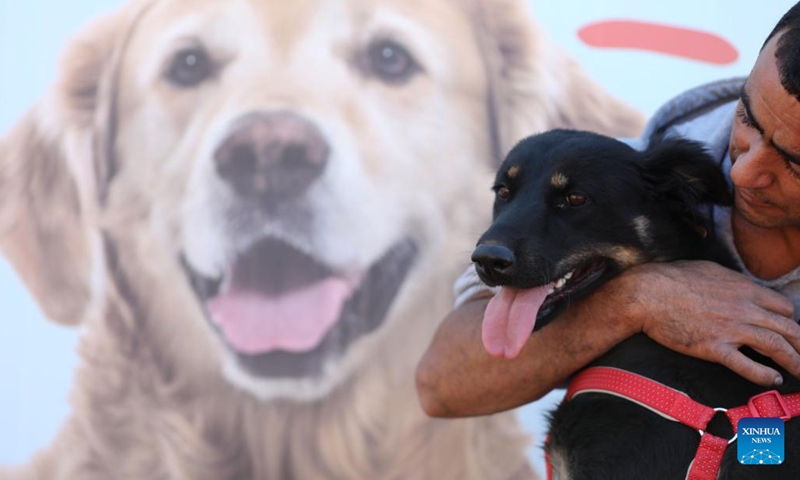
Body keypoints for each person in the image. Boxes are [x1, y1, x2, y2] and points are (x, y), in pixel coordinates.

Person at [416, 2, 800, 418]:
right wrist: (635, 299)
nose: (742, 174)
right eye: (747, 118)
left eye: (793, 161)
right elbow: (442, 384)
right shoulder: (636, 177)